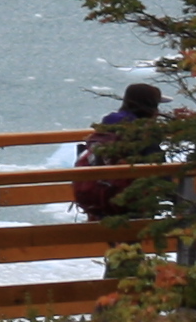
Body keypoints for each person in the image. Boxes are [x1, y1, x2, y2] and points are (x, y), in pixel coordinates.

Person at [72, 82, 176, 220]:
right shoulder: (143, 132)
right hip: (128, 204)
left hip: (100, 202)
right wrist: (180, 198)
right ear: (151, 107)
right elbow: (160, 172)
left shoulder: (108, 125)